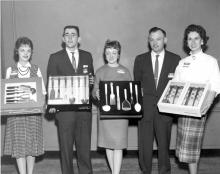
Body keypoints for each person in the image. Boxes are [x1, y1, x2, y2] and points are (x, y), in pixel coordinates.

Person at [47, 25, 94, 174]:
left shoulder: (88, 56)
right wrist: (52, 103)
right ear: (63, 38)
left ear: (79, 39)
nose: (70, 37)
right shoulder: (55, 57)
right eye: (66, 34)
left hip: (84, 110)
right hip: (64, 112)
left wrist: (91, 82)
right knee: (66, 150)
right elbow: (51, 83)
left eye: (73, 34)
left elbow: (90, 81)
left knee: (84, 148)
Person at [173, 24, 220, 174]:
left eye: (196, 39)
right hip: (183, 109)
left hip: (199, 107)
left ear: (202, 41)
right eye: (189, 39)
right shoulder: (182, 62)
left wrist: (206, 105)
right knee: (185, 148)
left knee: (193, 146)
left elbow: (215, 85)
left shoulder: (210, 61)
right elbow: (176, 84)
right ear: (186, 42)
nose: (192, 42)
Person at [133, 27, 181, 174]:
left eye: (158, 39)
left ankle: (164, 171)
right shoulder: (140, 59)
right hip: (145, 110)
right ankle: (145, 170)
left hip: (165, 111)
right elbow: (137, 85)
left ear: (165, 40)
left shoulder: (175, 59)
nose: (155, 42)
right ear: (148, 41)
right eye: (152, 39)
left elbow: (178, 86)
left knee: (164, 145)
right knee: (144, 145)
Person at [4, 36, 46, 174]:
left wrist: (42, 101)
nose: (25, 53)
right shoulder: (10, 70)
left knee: (31, 146)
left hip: (33, 114)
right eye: (22, 50)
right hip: (15, 115)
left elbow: (43, 92)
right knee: (19, 147)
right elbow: (6, 92)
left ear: (31, 52)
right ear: (17, 51)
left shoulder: (36, 69)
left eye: (28, 50)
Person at [92, 40, 132, 174]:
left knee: (119, 145)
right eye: (108, 53)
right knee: (108, 145)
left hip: (120, 115)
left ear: (118, 54)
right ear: (104, 54)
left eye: (114, 53)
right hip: (105, 114)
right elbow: (94, 91)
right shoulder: (100, 71)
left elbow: (131, 92)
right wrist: (96, 93)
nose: (111, 55)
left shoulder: (125, 71)